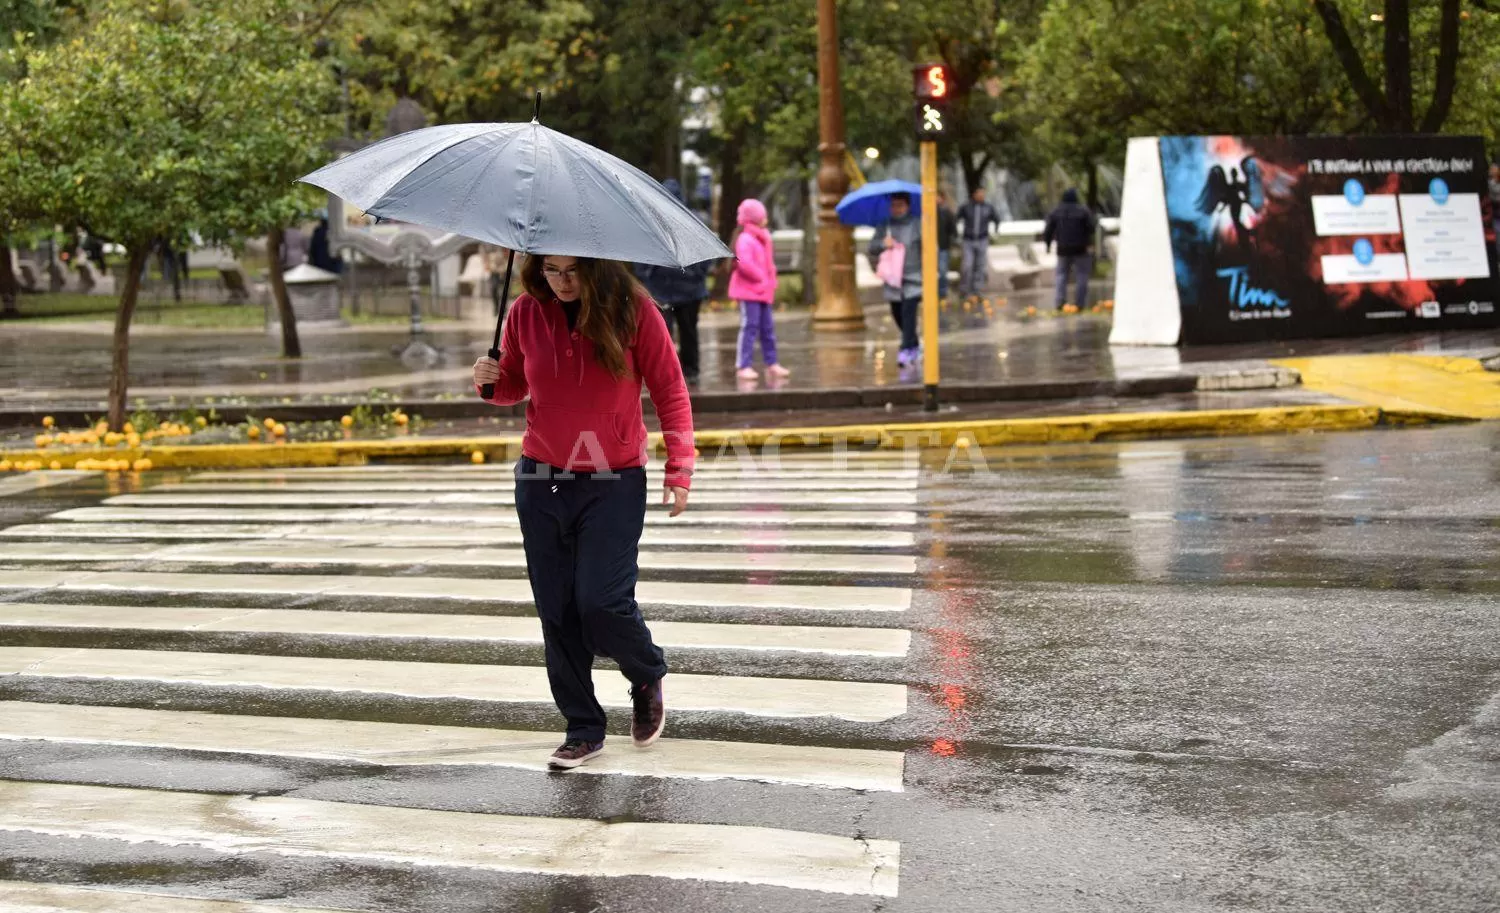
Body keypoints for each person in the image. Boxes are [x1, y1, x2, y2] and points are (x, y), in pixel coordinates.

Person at [471, 254, 693, 770]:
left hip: (613, 479)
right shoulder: (525, 312)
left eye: (573, 271)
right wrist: (488, 378)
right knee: (558, 610)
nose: (563, 282)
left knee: (600, 601)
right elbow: (513, 388)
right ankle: (582, 727)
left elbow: (670, 391)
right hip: (540, 477)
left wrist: (680, 467)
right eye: (551, 270)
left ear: (596, 266)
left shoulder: (635, 312)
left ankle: (645, 671)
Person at [634, 179, 712, 385]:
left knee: (673, 334)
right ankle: (681, 372)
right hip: (669, 289)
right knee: (674, 334)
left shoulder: (687, 221)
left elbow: (706, 253)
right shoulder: (653, 222)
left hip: (678, 288)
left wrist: (646, 275)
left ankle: (678, 373)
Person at [729, 198, 790, 380]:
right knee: (749, 327)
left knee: (767, 328)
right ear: (755, 218)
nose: (766, 218)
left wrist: (770, 280)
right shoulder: (746, 239)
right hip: (750, 292)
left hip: (763, 291)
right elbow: (744, 264)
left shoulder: (762, 237)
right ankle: (743, 365)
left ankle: (772, 363)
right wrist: (761, 277)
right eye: (762, 215)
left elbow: (768, 262)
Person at [869, 191, 923, 368]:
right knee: (897, 314)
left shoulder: (917, 224)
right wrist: (883, 244)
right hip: (893, 280)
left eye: (900, 205)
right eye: (893, 205)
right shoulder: (885, 225)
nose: (896, 209)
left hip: (914, 279)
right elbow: (872, 248)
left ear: (908, 206)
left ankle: (905, 349)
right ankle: (914, 343)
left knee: (908, 314)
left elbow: (928, 248)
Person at [1044, 188, 1098, 311]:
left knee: (1061, 275)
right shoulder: (1083, 211)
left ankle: (1060, 301)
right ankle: (1080, 303)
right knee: (1082, 275)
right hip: (1081, 248)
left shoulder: (1056, 211)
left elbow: (1048, 230)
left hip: (1062, 249)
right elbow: (1092, 227)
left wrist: (1047, 245)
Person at [956, 186, 1000, 299]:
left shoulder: (988, 207)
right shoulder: (966, 207)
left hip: (982, 239)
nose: (981, 196)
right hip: (968, 240)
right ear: (974, 194)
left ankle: (977, 290)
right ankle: (965, 289)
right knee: (967, 265)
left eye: (983, 194)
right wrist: (956, 234)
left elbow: (997, 219)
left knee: (980, 266)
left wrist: (995, 231)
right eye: (979, 193)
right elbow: (956, 219)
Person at [936, 189, 957, 301]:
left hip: (943, 246)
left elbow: (952, 230)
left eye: (938, 196)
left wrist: (952, 242)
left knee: (942, 271)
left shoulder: (947, 212)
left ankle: (942, 292)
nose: (936, 199)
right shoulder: (926, 212)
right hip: (928, 248)